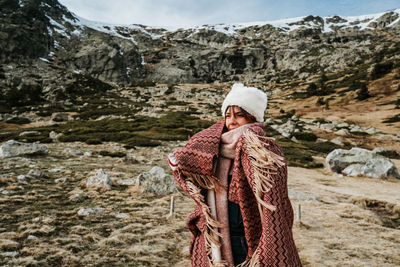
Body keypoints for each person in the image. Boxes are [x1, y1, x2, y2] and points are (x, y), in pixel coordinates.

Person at [168, 83, 302, 267]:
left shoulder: (264, 149)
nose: (232, 121)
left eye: (239, 116)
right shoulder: (214, 149)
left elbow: (275, 198)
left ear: (253, 118)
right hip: (219, 234)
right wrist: (180, 165)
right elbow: (194, 176)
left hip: (249, 238)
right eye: (228, 116)